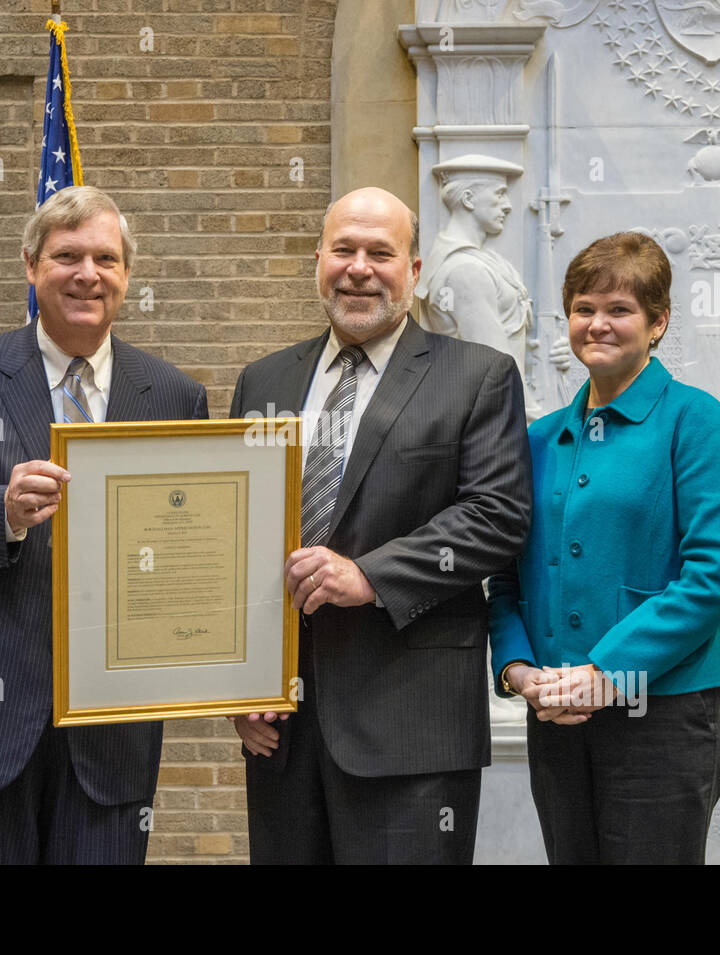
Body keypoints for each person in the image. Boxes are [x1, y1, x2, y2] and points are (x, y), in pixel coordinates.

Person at [0, 186, 208, 864]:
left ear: (126, 274)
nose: (88, 273)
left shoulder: (174, 395)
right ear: (31, 266)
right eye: (67, 256)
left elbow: (193, 553)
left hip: (111, 730)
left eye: (105, 258)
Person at [228, 186, 532, 864]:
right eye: (343, 250)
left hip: (412, 725)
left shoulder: (477, 377)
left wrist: (369, 574)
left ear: (414, 271)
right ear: (318, 262)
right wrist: (239, 683)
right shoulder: (265, 381)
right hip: (282, 731)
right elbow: (237, 537)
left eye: (380, 252)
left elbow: (498, 516)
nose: (359, 267)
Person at [488, 231, 720, 864]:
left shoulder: (694, 419)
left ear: (658, 323)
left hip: (662, 714)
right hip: (555, 714)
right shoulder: (538, 439)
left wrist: (608, 673)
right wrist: (520, 672)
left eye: (619, 310)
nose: (597, 324)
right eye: (584, 308)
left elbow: (718, 571)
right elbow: (504, 582)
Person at [416, 155, 540, 415]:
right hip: (493, 415)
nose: (507, 206)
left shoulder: (487, 260)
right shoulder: (465, 270)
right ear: (469, 199)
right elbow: (496, 362)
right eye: (500, 194)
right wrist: (535, 419)